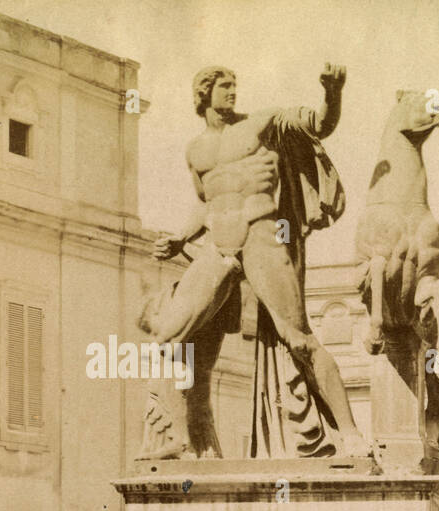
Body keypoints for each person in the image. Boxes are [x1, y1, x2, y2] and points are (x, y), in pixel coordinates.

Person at [147, 64, 372, 460]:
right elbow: (209, 203)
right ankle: (185, 440)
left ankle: (351, 435)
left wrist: (333, 91)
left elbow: (320, 124)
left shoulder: (262, 124)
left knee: (298, 338)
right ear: (204, 94)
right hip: (217, 247)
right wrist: (181, 237)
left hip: (262, 236)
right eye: (224, 86)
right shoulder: (196, 150)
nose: (233, 92)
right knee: (170, 338)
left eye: (235, 85)